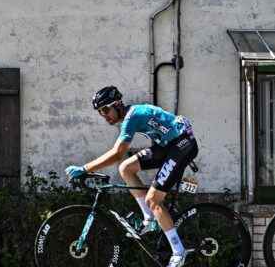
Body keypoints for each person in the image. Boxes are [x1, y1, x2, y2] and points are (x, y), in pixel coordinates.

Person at [65, 86, 198, 267]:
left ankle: (178, 252)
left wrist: (85, 168)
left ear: (118, 105)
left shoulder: (131, 117)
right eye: (100, 112)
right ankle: (149, 219)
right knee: (126, 168)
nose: (104, 115)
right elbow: (121, 159)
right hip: (168, 144)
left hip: (182, 144)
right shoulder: (131, 115)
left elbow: (117, 153)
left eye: (105, 109)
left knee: (154, 199)